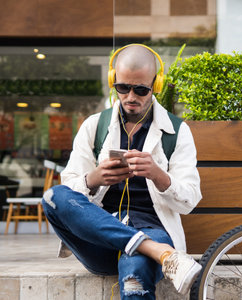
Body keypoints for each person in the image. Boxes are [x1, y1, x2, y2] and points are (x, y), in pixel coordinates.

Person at [41, 44, 202, 299]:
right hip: (98, 241)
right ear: (112, 81)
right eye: (123, 87)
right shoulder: (95, 125)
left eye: (140, 90)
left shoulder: (177, 131)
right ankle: (159, 253)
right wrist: (93, 179)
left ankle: (146, 247)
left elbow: (190, 199)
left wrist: (157, 174)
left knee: (135, 274)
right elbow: (69, 190)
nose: (130, 96)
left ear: (156, 85)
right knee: (53, 197)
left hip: (154, 229)